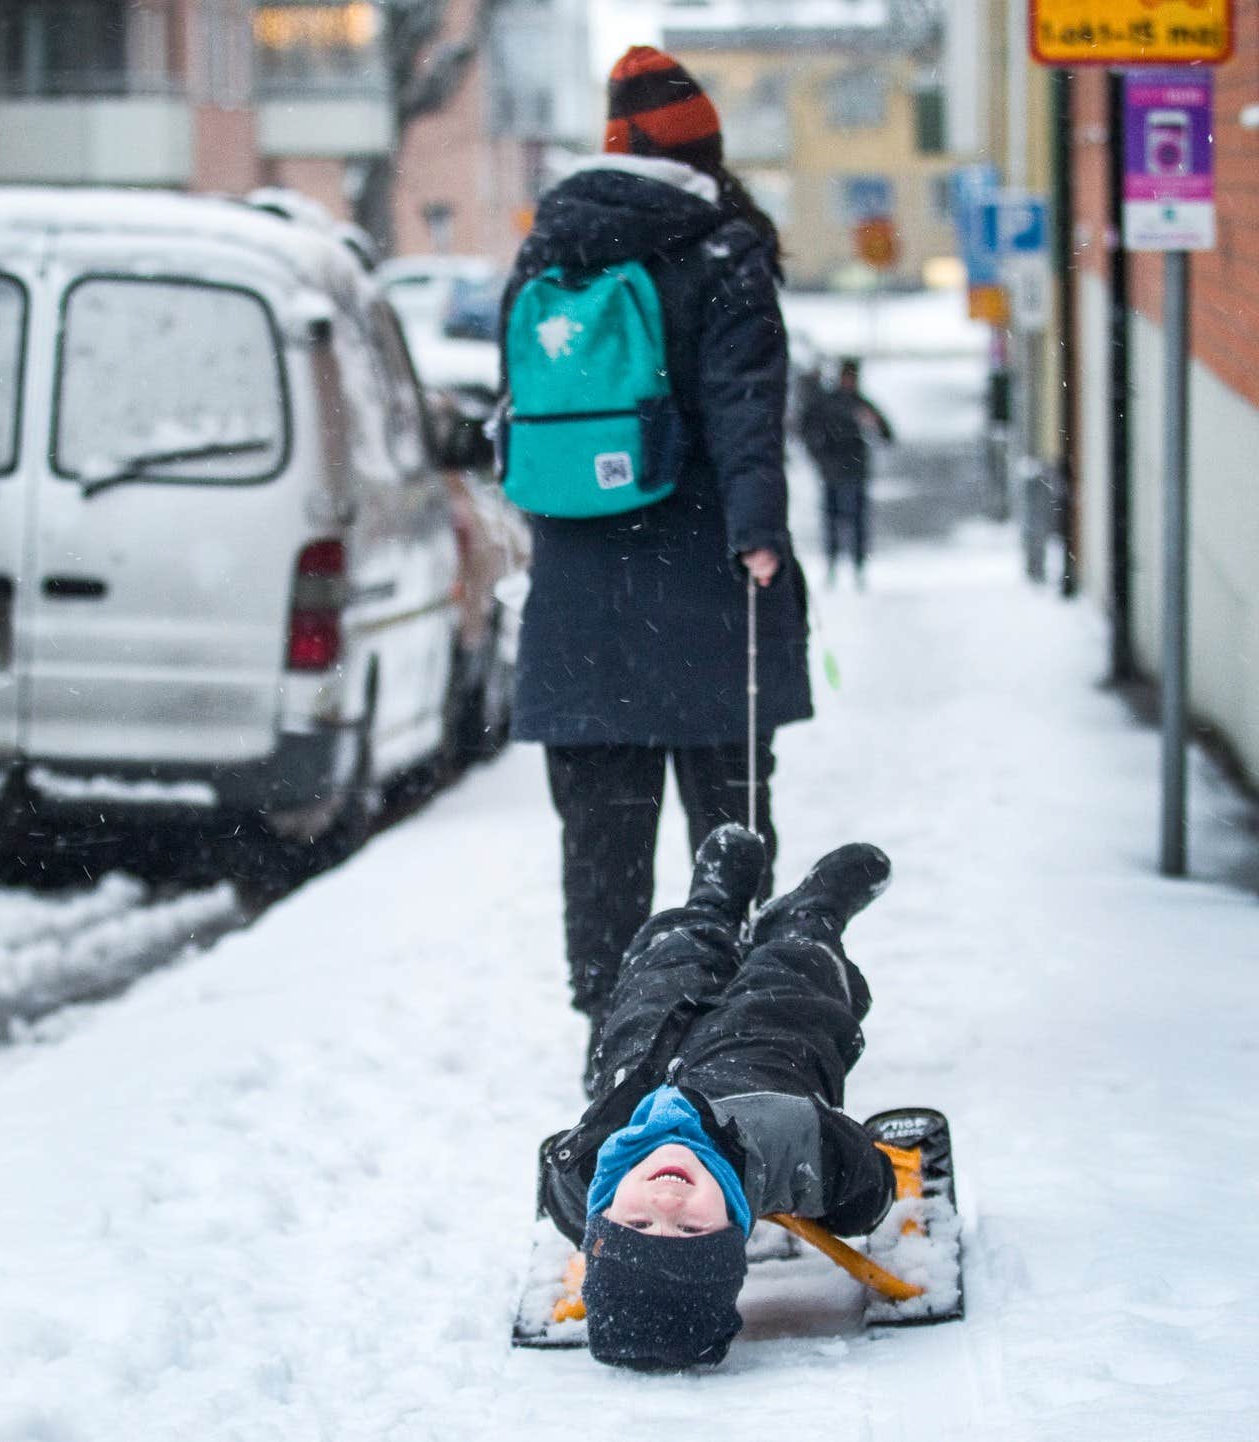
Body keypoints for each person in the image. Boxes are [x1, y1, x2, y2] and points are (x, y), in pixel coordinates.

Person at [500, 46, 811, 1056]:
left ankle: (611, 1023)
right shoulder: (722, 249)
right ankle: (725, 1019)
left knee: (599, 834)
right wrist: (758, 530)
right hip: (705, 584)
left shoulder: (551, 247)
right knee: (726, 829)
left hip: (579, 590)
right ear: (707, 155)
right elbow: (743, 406)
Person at [534, 823, 899, 1370]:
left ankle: (712, 902)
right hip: (766, 1051)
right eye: (691, 1229)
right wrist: (851, 1172)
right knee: (797, 980)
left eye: (636, 1224)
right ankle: (810, 916)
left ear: (603, 1215)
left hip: (651, 1050)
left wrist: (573, 1156)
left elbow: (554, 1171)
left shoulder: (582, 1178)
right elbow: (864, 1184)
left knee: (661, 968)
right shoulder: (789, 1153)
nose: (666, 1206)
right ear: (733, 1229)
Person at [798, 358, 896, 586]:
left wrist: (872, 423)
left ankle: (855, 566)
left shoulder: (858, 404)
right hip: (834, 469)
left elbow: (887, 434)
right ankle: (834, 564)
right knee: (836, 519)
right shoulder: (830, 403)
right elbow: (808, 429)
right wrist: (819, 454)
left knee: (853, 519)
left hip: (852, 470)